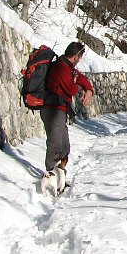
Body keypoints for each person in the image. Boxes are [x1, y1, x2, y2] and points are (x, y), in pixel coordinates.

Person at [40, 41, 94, 174]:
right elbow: (71, 89)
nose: (80, 60)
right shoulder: (61, 67)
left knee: (64, 147)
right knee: (56, 144)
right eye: (80, 57)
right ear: (76, 56)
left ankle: (59, 175)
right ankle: (50, 174)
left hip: (60, 109)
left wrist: (89, 90)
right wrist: (75, 83)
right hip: (53, 109)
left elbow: (81, 78)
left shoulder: (68, 67)